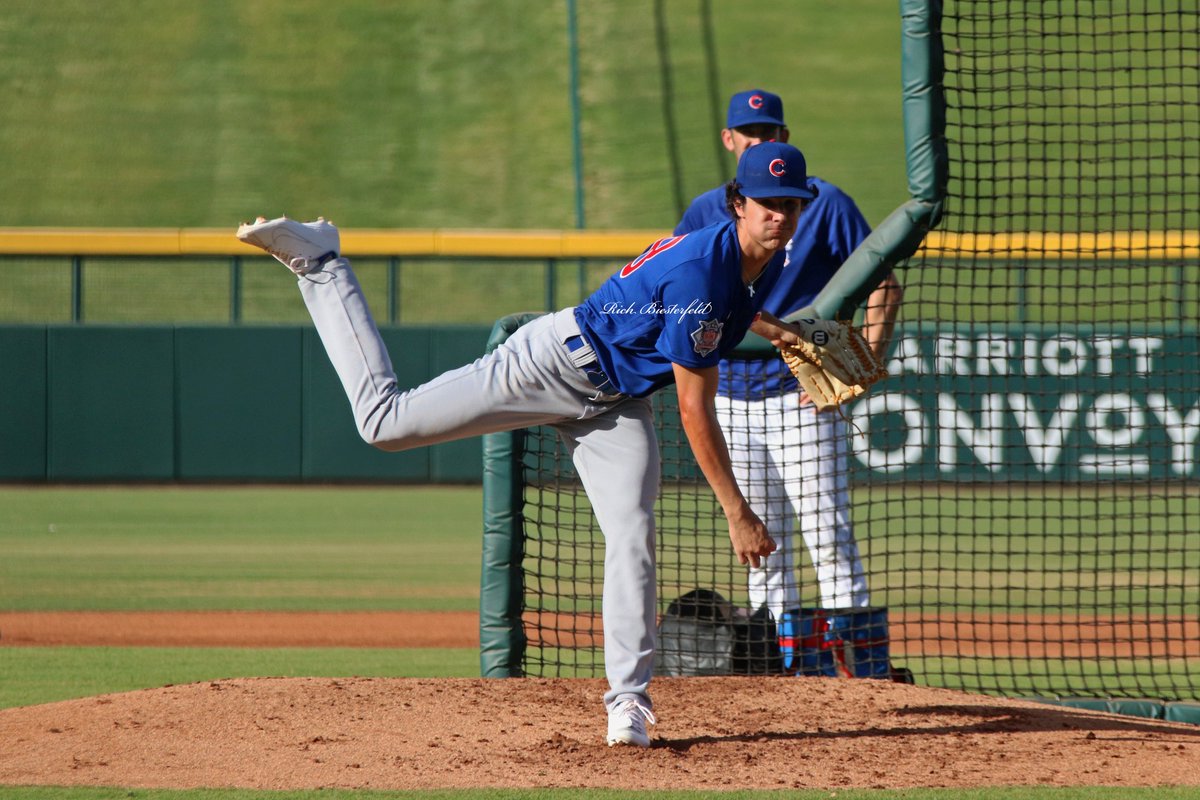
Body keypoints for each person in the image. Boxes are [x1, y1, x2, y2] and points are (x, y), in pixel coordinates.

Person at [238, 142, 838, 747]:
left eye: (790, 203)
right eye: (766, 202)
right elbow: (693, 408)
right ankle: (323, 264)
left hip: (613, 405)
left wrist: (778, 330)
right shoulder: (704, 271)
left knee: (633, 532)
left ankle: (627, 702)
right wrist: (737, 512)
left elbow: (722, 310)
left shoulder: (755, 265)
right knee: (385, 424)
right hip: (549, 363)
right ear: (739, 202)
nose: (779, 215)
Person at [675, 89, 904, 678]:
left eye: (769, 129)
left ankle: (859, 677)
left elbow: (885, 284)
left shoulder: (823, 204)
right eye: (748, 132)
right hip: (729, 396)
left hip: (802, 400)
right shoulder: (707, 210)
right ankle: (775, 678)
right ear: (730, 141)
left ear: (784, 133)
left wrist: (865, 371)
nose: (760, 139)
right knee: (761, 547)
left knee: (828, 536)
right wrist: (766, 328)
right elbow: (685, 285)